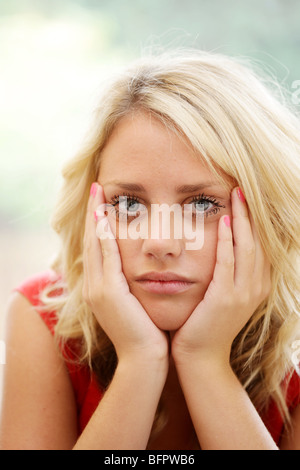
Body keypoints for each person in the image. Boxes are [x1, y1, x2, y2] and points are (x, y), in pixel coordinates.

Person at [0, 49, 299, 450]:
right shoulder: (43, 317)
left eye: (201, 204)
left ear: (269, 216)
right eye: (128, 204)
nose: (159, 242)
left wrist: (204, 360)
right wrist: (140, 362)